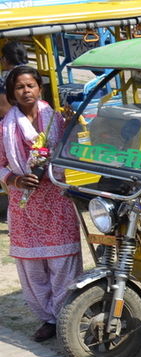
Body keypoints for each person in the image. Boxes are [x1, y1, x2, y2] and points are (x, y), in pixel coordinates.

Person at [0, 66, 82, 342]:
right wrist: (15, 179)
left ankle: (66, 316)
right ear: (12, 93)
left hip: (57, 201)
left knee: (63, 262)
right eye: (19, 87)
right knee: (33, 267)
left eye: (30, 85)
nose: (26, 91)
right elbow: (0, 164)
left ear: (39, 88)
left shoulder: (57, 119)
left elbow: (72, 153)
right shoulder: (5, 127)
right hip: (24, 206)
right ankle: (48, 319)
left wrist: (72, 126)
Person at [0, 41, 29, 119]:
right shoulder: (32, 73)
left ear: (5, 59)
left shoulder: (7, 79)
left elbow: (3, 109)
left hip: (12, 120)